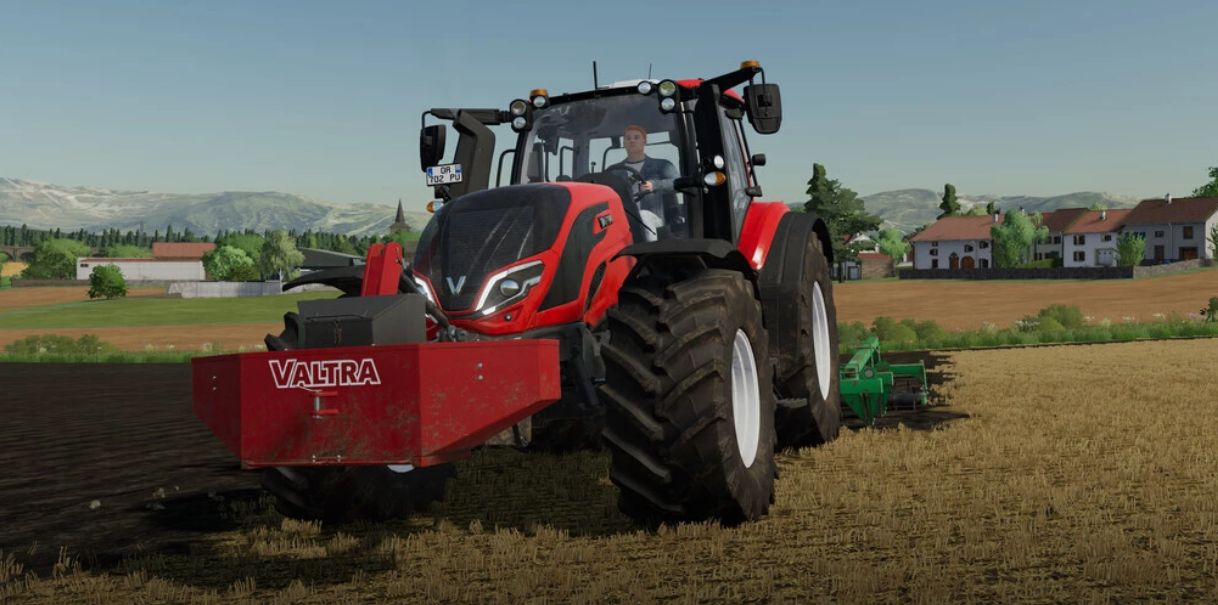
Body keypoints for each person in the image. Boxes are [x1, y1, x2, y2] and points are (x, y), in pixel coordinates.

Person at [606, 125, 682, 232]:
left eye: (636, 137)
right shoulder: (614, 171)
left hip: (654, 221)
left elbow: (678, 183)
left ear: (644, 141)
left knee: (643, 216)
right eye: (628, 138)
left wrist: (654, 185)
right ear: (624, 143)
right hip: (624, 219)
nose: (632, 140)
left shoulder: (662, 165)